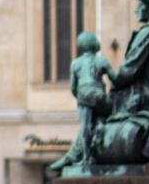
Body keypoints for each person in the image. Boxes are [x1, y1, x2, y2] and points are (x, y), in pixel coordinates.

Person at [48, 32, 115, 173]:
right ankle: (102, 130)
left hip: (83, 95)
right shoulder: (102, 60)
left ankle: (86, 157)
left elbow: (73, 87)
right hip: (99, 94)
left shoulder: (75, 63)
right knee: (107, 112)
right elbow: (115, 78)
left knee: (85, 126)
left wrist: (80, 97)